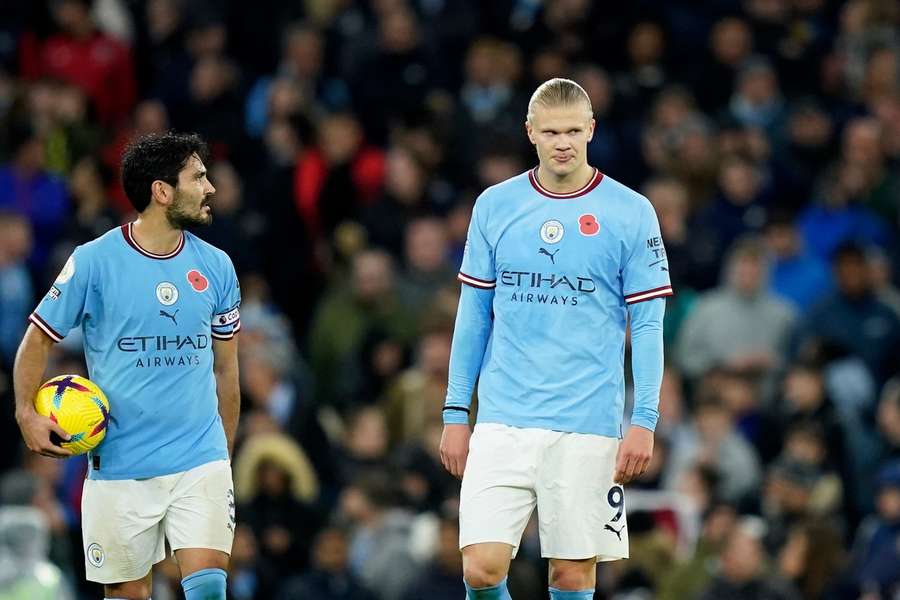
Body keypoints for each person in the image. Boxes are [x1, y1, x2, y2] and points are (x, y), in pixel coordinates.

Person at [440, 78, 671, 600]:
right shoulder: (495, 206)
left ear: (591, 129)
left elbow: (649, 325)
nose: (562, 142)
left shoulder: (630, 212)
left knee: (571, 575)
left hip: (587, 421)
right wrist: (456, 413)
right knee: (481, 567)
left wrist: (645, 421)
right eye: (550, 132)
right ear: (531, 133)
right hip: (503, 416)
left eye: (572, 130)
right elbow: (473, 315)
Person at [12, 132, 241, 600]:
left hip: (199, 459)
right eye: (198, 177)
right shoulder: (94, 262)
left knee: (209, 587)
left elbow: (227, 372)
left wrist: (224, 458)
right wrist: (24, 413)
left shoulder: (217, 267)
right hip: (120, 465)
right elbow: (36, 339)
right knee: (128, 594)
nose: (210, 187)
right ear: (162, 191)